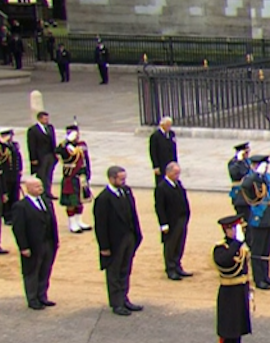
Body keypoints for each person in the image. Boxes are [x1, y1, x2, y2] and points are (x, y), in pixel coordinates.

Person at [93, 166, 143, 316]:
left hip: (128, 237)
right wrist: (104, 246)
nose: (123, 181)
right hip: (114, 241)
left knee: (125, 269)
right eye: (121, 179)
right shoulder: (103, 199)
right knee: (114, 272)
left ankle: (124, 298)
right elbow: (100, 225)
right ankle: (116, 302)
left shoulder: (126, 191)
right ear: (111, 178)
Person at [214, 215, 258, 343]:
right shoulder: (221, 248)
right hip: (228, 291)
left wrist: (249, 288)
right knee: (227, 330)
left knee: (238, 328)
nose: (237, 231)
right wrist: (237, 243)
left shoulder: (239, 247)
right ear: (226, 230)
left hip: (239, 289)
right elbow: (224, 261)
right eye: (234, 229)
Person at [11, 177, 58, 310]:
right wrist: (23, 247)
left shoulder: (46, 202)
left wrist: (55, 241)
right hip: (32, 244)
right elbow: (19, 229)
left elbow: (52, 222)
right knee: (32, 271)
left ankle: (42, 296)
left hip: (48, 242)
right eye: (37, 187)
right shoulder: (21, 206)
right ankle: (32, 298)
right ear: (28, 188)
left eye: (41, 186)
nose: (40, 189)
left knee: (45, 270)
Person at [239, 154, 270, 290]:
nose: (266, 167)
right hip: (258, 218)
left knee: (266, 250)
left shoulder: (268, 178)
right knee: (257, 250)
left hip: (269, 217)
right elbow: (245, 186)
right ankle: (259, 279)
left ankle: (266, 276)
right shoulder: (250, 178)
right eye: (263, 165)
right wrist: (256, 174)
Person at [153, 162, 193, 281]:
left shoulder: (178, 184)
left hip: (181, 218)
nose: (177, 175)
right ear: (168, 172)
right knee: (171, 245)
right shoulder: (161, 187)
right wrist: (163, 224)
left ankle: (177, 265)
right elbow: (159, 207)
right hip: (171, 221)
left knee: (180, 244)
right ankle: (170, 268)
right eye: (175, 173)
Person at [57, 125, 92, 233]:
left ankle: (79, 220)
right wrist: (67, 141)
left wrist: (88, 173)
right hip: (71, 177)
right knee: (71, 202)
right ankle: (72, 223)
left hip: (81, 177)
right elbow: (58, 151)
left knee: (81, 200)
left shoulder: (82, 145)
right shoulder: (65, 147)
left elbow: (86, 159)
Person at [27, 111, 57, 199]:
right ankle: (41, 193)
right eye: (45, 118)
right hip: (40, 156)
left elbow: (53, 141)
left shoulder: (50, 128)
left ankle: (48, 192)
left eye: (47, 118)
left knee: (49, 175)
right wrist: (33, 158)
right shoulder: (33, 130)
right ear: (39, 119)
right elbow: (31, 145)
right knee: (42, 175)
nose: (47, 120)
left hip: (50, 154)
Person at [0, 128, 23, 224]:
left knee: (15, 195)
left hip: (14, 174)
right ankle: (7, 216)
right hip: (5, 175)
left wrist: (20, 169)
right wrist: (2, 144)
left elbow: (18, 158)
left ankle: (14, 214)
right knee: (6, 195)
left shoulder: (13, 145)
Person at [228, 143, 252, 217]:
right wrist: (239, 161)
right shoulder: (233, 163)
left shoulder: (248, 161)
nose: (247, 154)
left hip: (249, 194)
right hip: (240, 196)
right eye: (246, 152)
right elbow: (237, 173)